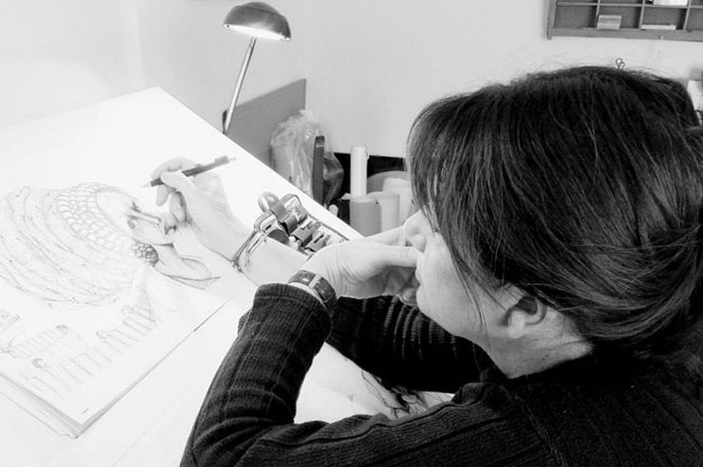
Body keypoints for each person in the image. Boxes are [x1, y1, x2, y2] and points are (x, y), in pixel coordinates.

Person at [151, 65, 703, 467]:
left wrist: (312, 283)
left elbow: (223, 457)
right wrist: (238, 237)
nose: (410, 230)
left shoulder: (540, 440)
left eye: (436, 226)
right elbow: (402, 341)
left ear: (526, 304)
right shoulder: (601, 322)